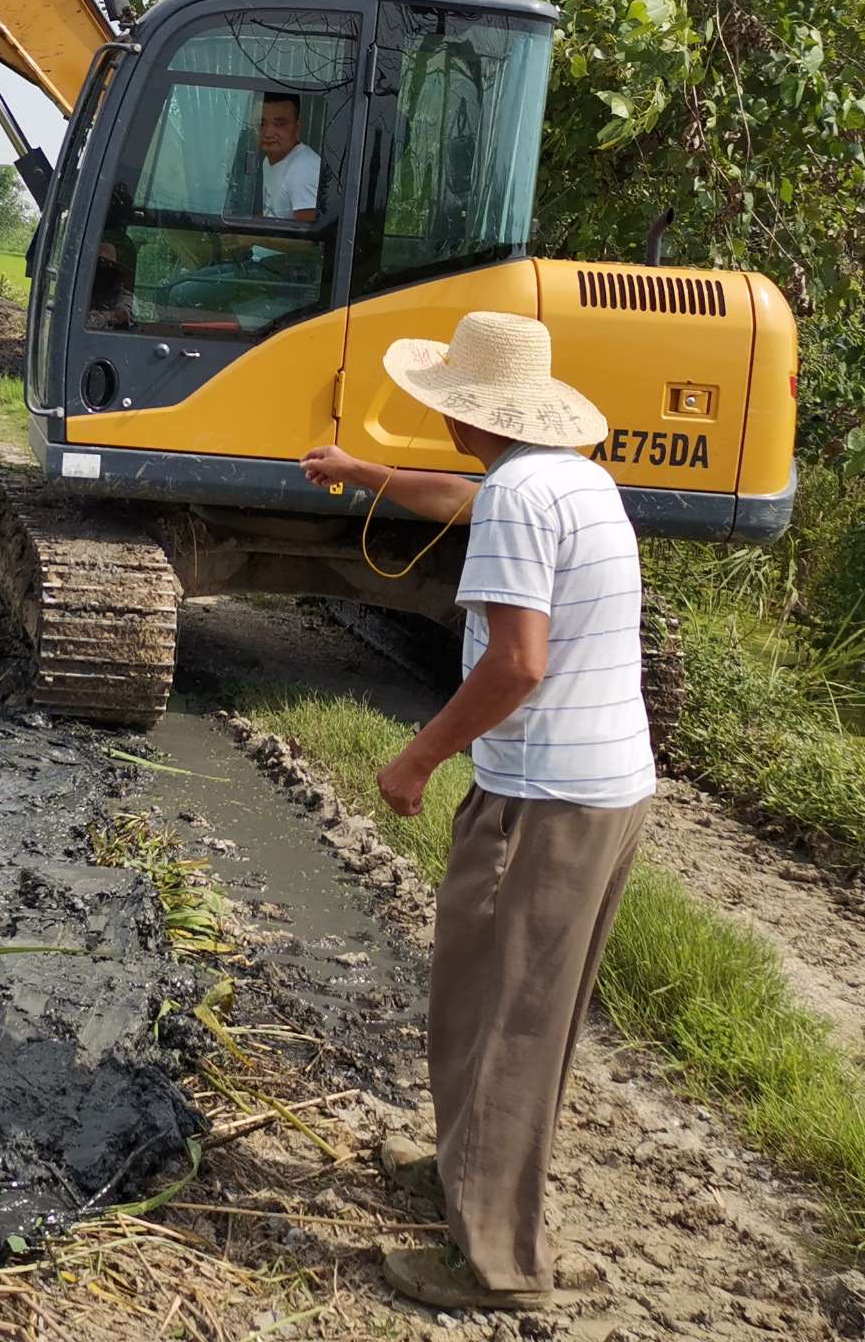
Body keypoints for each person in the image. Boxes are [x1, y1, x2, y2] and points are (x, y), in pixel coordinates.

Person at [300, 311, 651, 1315]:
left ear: (466, 411)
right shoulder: (564, 476)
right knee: (486, 998)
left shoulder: (521, 498)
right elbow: (460, 497)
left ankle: (495, 1261)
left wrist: (417, 759)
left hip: (548, 800)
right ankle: (464, 1172)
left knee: (509, 1021)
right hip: (601, 788)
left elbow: (516, 663)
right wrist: (365, 474)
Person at [257, 92, 319, 222]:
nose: (268, 133)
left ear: (296, 129)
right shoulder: (268, 160)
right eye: (262, 123)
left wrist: (246, 238)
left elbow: (309, 238)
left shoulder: (303, 170)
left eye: (279, 124)